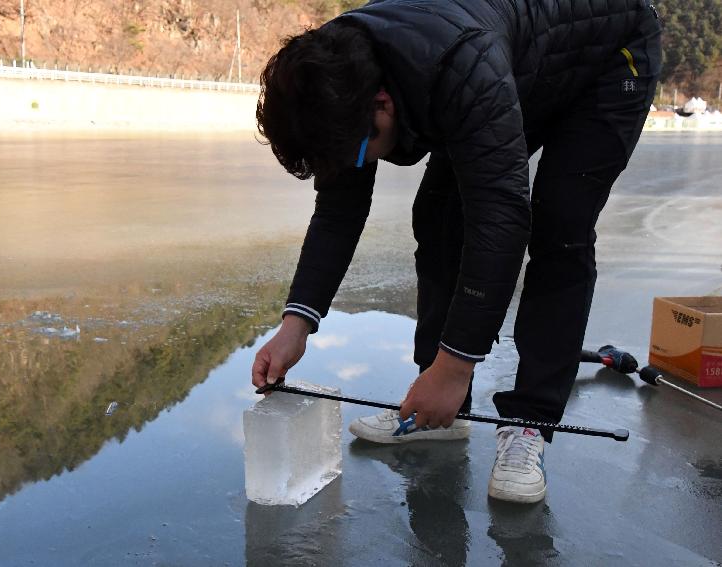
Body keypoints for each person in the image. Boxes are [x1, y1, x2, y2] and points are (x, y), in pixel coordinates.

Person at [250, 0, 661, 503]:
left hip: (606, 57)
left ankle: (528, 422)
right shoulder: (331, 80)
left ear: (382, 104)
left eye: (358, 154)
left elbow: (501, 221)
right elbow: (338, 213)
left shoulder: (460, 67)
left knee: (560, 225)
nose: (354, 166)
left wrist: (457, 364)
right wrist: (297, 325)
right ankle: (440, 408)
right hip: (513, 63)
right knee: (440, 213)